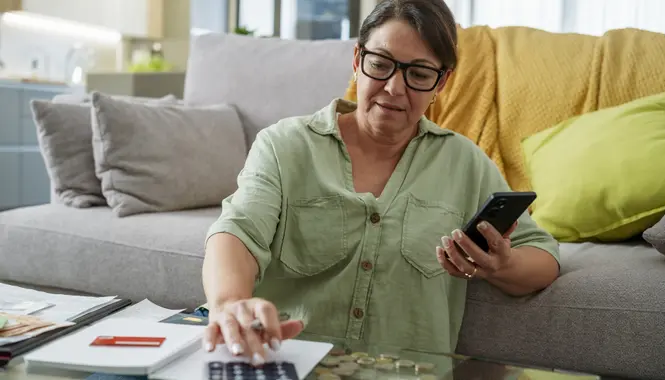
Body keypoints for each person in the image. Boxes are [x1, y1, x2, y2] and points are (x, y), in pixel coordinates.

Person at [202, 0, 560, 365]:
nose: (393, 88)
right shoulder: (285, 146)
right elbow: (238, 230)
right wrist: (229, 302)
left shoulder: (465, 163)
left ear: (443, 81)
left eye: (419, 74)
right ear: (357, 60)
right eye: (380, 64)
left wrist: (502, 265)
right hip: (287, 366)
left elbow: (543, 256)